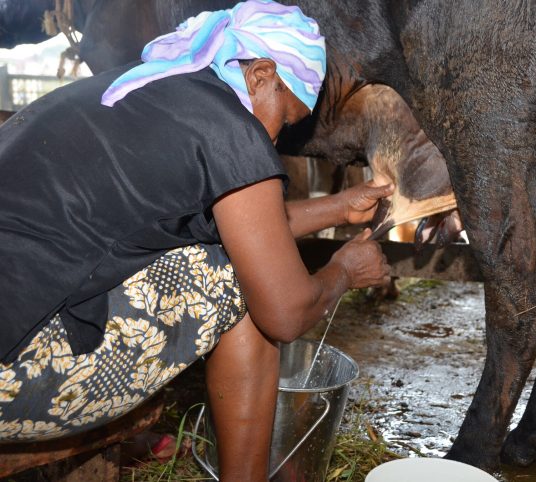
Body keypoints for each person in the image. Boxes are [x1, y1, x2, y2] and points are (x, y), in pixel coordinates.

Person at [0, 1, 392, 480]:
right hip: (14, 370)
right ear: (261, 75)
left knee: (238, 255)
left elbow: (248, 224)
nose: (275, 138)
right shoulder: (230, 128)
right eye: (286, 118)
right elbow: (286, 312)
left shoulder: (156, 90)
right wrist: (345, 271)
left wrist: (339, 206)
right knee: (246, 283)